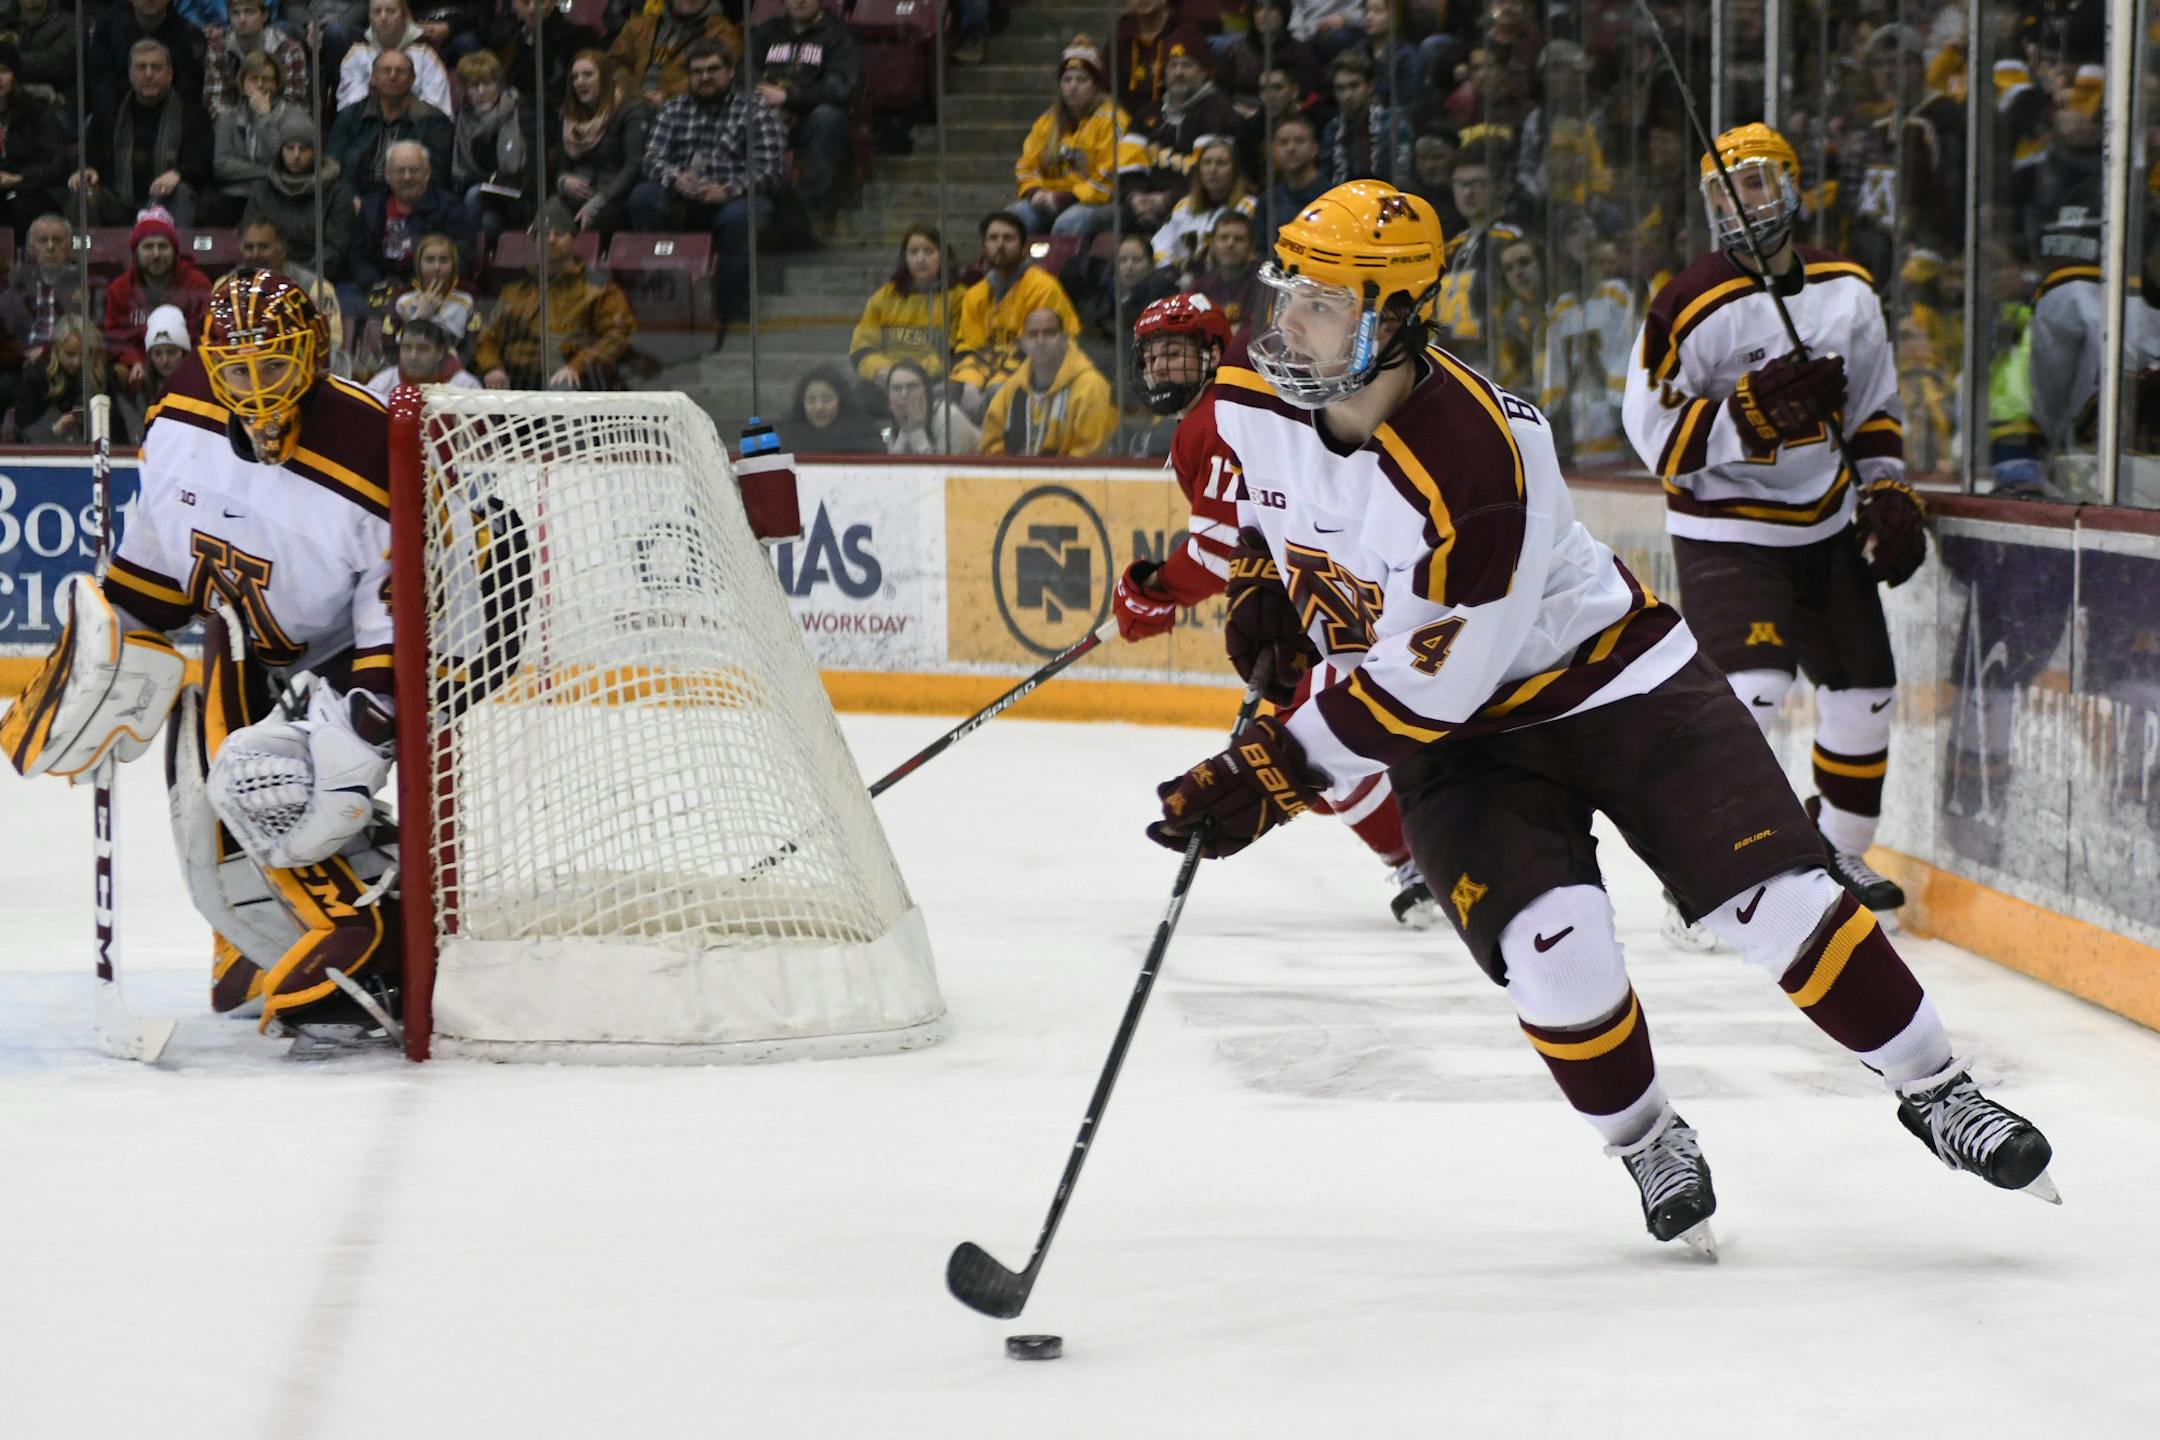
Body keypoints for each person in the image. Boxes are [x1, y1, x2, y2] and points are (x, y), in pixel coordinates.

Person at [1149, 178, 2058, 1255]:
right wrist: (1262, 583)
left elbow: (1434, 684)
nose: (1285, 323)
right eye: (1286, 292)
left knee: (1775, 900)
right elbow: (1258, 501)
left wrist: (1278, 768)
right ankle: (1646, 1140)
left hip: (1610, 680)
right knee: (1554, 952)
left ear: (1391, 318)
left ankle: (1938, 1090)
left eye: (1320, 302)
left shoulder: (1479, 460)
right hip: (1466, 751)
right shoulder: (1249, 395)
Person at [0, 270, 406, 1034]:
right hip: (258, 642)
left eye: (275, 366)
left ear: (315, 355)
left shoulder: (366, 445)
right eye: (238, 371)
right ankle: (255, 933)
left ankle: (370, 931)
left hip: (368, 648)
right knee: (199, 783)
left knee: (263, 777)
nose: (256, 392)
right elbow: (161, 572)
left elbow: (396, 607)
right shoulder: (181, 417)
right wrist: (100, 652)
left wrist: (364, 723)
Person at [1621, 123, 1928, 950]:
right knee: (1752, 694)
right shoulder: (1686, 302)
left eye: (1753, 183)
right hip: (1727, 528)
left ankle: (1842, 856)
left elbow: (1872, 413)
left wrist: (1887, 488)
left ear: (1793, 188)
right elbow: (1653, 441)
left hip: (1823, 519)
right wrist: (1745, 416)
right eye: (1722, 189)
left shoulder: (1849, 292)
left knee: (1864, 695)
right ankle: (1708, 872)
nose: (1737, 201)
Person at [1113, 291, 1434, 922]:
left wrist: (1155, 593)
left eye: (1176, 355)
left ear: (1212, 354)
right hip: (1333, 584)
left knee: (1313, 740)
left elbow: (1214, 551)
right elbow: (1249, 529)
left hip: (1345, 585)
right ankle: (1416, 856)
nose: (1161, 371)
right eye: (1153, 357)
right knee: (1317, 738)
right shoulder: (1221, 411)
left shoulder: (1214, 419)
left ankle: (1420, 858)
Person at [631, 36, 788, 344]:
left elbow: (771, 170)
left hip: (732, 199)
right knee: (643, 198)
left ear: (730, 73)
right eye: (697, 71)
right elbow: (651, 158)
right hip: (682, 198)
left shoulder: (755, 110)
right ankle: (667, 297)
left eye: (713, 70)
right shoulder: (674, 108)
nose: (704, 77)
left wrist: (728, 190)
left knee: (741, 218)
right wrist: (675, 178)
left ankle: (728, 311)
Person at [474, 200, 635, 390]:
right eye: (544, 234)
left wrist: (577, 366)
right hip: (516, 380)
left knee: (564, 387)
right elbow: (488, 337)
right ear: (534, 241)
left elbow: (616, 336)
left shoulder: (599, 289)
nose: (551, 240)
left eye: (559, 233)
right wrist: (492, 368)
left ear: (573, 240)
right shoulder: (516, 290)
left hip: (572, 381)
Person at [1009, 36, 1148, 241]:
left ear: (1096, 86)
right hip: (1049, 198)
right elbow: (1026, 165)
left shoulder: (1112, 121)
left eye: (1081, 80)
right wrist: (1035, 192)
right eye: (1067, 79)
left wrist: (1066, 198)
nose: (1073, 86)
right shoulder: (1047, 122)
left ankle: (1062, 272)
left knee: (1069, 222)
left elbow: (1110, 179)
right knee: (1013, 218)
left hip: (1101, 203)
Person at [949, 211, 1082, 421]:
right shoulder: (974, 295)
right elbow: (970, 347)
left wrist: (993, 382)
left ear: (1022, 247)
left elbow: (1040, 350)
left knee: (999, 393)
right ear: (983, 247)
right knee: (942, 393)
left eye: (1008, 238)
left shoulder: (1043, 288)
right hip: (989, 374)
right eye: (993, 238)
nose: (1000, 245)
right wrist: (970, 381)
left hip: (1043, 374)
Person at [72, 39, 216, 227]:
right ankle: (85, 256)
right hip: (117, 203)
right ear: (131, 74)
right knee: (83, 189)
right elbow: (91, 155)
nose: (148, 74)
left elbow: (200, 162)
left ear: (170, 74)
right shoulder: (109, 111)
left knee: (181, 192)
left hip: (167, 201)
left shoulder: (192, 114)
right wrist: (88, 169)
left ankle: (174, 254)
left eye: (156, 68)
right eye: (141, 67)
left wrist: (178, 174)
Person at [746, 0, 862, 223]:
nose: (800, 1)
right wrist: (763, 93)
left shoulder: (838, 35)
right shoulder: (767, 32)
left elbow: (840, 87)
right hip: (766, 112)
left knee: (827, 117)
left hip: (810, 118)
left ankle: (811, 211)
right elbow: (745, 71)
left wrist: (789, 97)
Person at [348, 140, 477, 317]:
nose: (407, 177)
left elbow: (463, 255)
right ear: (387, 175)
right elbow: (358, 255)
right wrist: (373, 282)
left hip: (429, 288)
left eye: (414, 170)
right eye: (400, 170)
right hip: (379, 286)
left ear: (427, 173)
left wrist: (421, 282)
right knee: (344, 298)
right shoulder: (371, 206)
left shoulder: (450, 207)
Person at [978, 306, 1115, 457]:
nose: (1040, 341)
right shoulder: (1013, 388)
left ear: (1065, 340)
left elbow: (1091, 455)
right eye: (1032, 335)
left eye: (1049, 333)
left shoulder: (1091, 387)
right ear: (1022, 343)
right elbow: (990, 445)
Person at [103, 206, 213, 389]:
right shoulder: (119, 289)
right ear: (135, 252)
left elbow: (207, 335)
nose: (156, 254)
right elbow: (115, 336)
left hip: (188, 368)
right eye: (148, 247)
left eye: (163, 246)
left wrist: (185, 363)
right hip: (139, 370)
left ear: (174, 250)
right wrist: (134, 360)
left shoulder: (197, 284)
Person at [850, 225, 964, 389]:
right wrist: (881, 370)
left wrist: (912, 374)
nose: (920, 259)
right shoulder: (884, 297)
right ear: (905, 258)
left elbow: (957, 351)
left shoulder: (959, 298)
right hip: (887, 378)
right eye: (913, 252)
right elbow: (861, 348)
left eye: (928, 251)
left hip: (935, 380)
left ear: (943, 256)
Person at [329, 46, 456, 195]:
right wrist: (349, 198)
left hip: (410, 202)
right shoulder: (351, 115)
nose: (392, 76)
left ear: (413, 79)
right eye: (385, 70)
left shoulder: (434, 120)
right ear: (373, 78)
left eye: (400, 71)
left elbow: (437, 177)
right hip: (355, 200)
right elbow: (332, 164)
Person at [245, 115, 356, 282]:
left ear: (315, 152)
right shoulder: (263, 190)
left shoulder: (336, 192)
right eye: (290, 148)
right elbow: (252, 237)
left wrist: (298, 278)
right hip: (269, 275)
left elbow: (336, 250)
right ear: (281, 150)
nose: (296, 155)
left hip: (320, 280)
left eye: (304, 149)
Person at [553, 49, 649, 237]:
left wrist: (598, 202)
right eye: (574, 77)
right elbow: (561, 167)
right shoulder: (568, 117)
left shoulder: (631, 110)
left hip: (615, 197)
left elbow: (634, 166)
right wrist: (563, 181)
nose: (579, 82)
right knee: (546, 222)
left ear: (605, 78)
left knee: (588, 227)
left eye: (587, 75)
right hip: (576, 196)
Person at [450, 49, 533, 243]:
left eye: (487, 84)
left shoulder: (518, 113)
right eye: (473, 86)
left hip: (516, 199)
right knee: (486, 220)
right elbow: (460, 175)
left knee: (474, 197)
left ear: (498, 84)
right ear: (465, 90)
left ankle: (465, 255)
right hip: (483, 204)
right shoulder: (464, 121)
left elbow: (526, 170)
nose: (481, 92)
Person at [13, 315, 130, 445]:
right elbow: (22, 431)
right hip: (50, 455)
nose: (77, 362)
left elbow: (117, 430)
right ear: (56, 349)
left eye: (84, 354)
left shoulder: (101, 376)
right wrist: (54, 430)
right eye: (70, 354)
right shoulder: (37, 375)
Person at [212, 51, 297, 222]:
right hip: (235, 194)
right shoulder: (227, 118)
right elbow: (222, 165)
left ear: (276, 83)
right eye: (253, 79)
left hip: (276, 193)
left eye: (266, 79)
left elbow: (284, 161)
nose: (260, 85)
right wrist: (268, 171)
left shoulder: (291, 117)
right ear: (242, 84)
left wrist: (263, 117)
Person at [84, 0, 207, 118]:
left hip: (173, 120)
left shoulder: (189, 36)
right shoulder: (107, 30)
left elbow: (189, 95)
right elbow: (100, 86)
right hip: (117, 116)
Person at [609, 0, 742, 107]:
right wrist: (629, 91)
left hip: (682, 108)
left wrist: (668, 95)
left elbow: (716, 76)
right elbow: (614, 64)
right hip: (632, 104)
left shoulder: (724, 33)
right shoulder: (638, 26)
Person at [1152, 138, 1257, 270]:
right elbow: (1159, 249)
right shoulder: (1184, 206)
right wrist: (1174, 266)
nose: (1212, 169)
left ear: (1234, 171)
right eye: (1207, 163)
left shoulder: (1248, 207)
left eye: (1221, 163)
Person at [336, 0, 455, 114]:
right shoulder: (356, 56)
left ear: (405, 16)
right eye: (377, 12)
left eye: (390, 11)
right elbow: (349, 111)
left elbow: (439, 114)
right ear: (369, 18)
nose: (383, 17)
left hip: (416, 131)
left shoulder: (426, 57)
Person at [0, 41, 66, 239]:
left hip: (28, 191)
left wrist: (19, 178)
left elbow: (57, 164)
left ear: (15, 76)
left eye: (3, 70)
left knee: (23, 209)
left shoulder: (37, 112)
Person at [203, 0, 310, 118]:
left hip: (279, 123)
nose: (242, 19)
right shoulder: (218, 50)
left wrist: (265, 116)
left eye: (249, 12)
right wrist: (237, 124)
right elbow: (215, 99)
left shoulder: (289, 50)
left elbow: (294, 100)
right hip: (233, 123)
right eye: (235, 13)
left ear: (264, 16)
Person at [379, 231, 479, 357]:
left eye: (444, 260)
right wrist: (421, 316)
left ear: (453, 265)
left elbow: (466, 346)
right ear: (419, 264)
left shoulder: (467, 300)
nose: (437, 267)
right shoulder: (403, 300)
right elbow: (393, 347)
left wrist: (433, 317)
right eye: (429, 260)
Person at [1321, 49, 1410, 187]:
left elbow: (1402, 174)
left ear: (1370, 86)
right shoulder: (1332, 129)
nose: (1347, 95)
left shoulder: (1392, 122)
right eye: (1340, 88)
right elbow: (1328, 177)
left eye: (1354, 86)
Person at [9, 214, 88, 362]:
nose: (50, 247)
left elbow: (93, 335)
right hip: (23, 360)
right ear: (32, 248)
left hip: (69, 361)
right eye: (43, 240)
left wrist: (47, 352)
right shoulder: (18, 286)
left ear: (69, 247)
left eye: (57, 240)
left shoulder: (84, 284)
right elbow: (8, 332)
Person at [1112, 0, 1207, 121]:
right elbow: (1106, 86)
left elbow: (1200, 85)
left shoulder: (1185, 30)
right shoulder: (1123, 31)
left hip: (1173, 118)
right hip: (1129, 120)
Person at [1258, 113, 1329, 249]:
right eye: (1283, 142)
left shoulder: (1331, 196)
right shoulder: (1267, 201)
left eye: (1299, 141)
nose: (1291, 148)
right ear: (1274, 151)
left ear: (1314, 149)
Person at [364, 314, 480, 397]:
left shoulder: (466, 386)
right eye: (406, 348)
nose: (413, 356)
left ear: (439, 352)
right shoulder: (380, 385)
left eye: (423, 349)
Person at [1188, 210, 1262, 337]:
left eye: (1239, 239)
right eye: (1223, 237)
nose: (1230, 244)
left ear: (1251, 246)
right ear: (1212, 243)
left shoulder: (1263, 282)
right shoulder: (1199, 288)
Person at [880, 358, 979, 453]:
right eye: (897, 388)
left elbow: (944, 469)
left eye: (912, 387)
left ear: (926, 392)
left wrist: (915, 432)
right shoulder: (899, 421)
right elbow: (894, 467)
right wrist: (906, 430)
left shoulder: (949, 418)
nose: (904, 394)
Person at [788, 363, 885, 453]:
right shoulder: (786, 436)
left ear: (841, 401)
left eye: (827, 399)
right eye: (811, 400)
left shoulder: (865, 436)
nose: (819, 408)